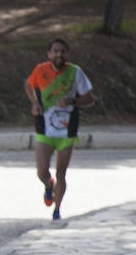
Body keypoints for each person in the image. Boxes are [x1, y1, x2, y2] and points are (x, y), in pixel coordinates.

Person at [25, 38, 96, 221]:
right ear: (49, 54)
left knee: (61, 172)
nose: (59, 55)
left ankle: (57, 211)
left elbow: (89, 99)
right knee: (41, 170)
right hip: (44, 129)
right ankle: (49, 186)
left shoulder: (75, 72)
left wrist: (72, 101)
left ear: (67, 54)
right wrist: (34, 104)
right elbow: (28, 85)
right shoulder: (40, 71)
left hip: (67, 131)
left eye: (62, 51)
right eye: (55, 51)